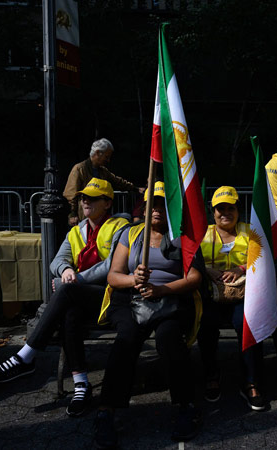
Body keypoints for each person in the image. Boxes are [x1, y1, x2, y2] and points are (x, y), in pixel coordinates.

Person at [0, 178, 128, 416]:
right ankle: (81, 385)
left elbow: (111, 266)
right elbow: (57, 261)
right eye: (83, 197)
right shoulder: (76, 231)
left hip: (111, 295)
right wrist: (67, 270)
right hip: (81, 298)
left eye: (92, 198)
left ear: (107, 203)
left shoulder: (120, 227)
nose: (85, 201)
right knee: (70, 313)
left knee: (66, 291)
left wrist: (75, 280)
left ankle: (27, 355)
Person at [94, 181, 203, 446]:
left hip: (170, 300)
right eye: (151, 204)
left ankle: (185, 407)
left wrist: (161, 289)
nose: (156, 209)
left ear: (171, 208)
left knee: (168, 339)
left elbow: (196, 277)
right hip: (131, 300)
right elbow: (113, 275)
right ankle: (107, 410)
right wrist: (134, 280)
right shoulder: (130, 235)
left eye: (162, 204)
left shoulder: (183, 236)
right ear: (144, 208)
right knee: (126, 340)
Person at [196, 186, 267, 411]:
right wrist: (207, 270)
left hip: (243, 295)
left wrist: (241, 269)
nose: (225, 213)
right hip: (211, 295)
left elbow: (263, 259)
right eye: (220, 209)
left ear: (238, 210)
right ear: (212, 211)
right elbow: (190, 262)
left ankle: (251, 381)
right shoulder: (202, 233)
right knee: (205, 324)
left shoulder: (251, 231)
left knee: (246, 325)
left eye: (231, 208)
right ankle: (211, 376)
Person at [63, 138, 142, 226]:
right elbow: (71, 194)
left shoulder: (103, 171)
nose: (108, 160)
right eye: (106, 156)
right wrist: (72, 214)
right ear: (97, 153)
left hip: (99, 216)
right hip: (83, 217)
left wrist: (135, 188)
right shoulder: (79, 169)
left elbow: (118, 181)